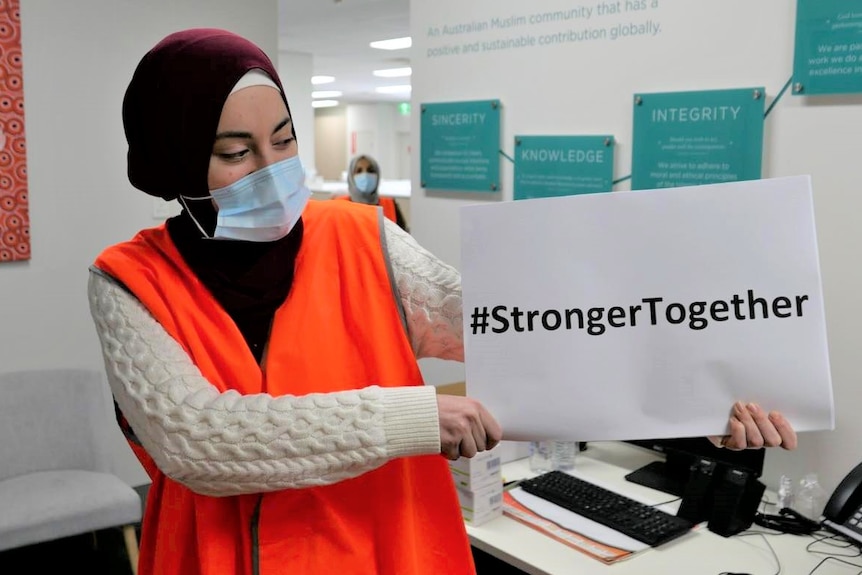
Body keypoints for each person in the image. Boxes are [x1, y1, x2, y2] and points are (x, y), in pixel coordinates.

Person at [86, 28, 797, 575]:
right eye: (235, 152)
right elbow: (199, 440)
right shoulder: (127, 282)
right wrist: (415, 415)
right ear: (174, 161)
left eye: (284, 139)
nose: (273, 171)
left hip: (386, 549)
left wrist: (691, 401)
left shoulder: (363, 236)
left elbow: (531, 336)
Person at [336, 153, 409, 232]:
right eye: (359, 171)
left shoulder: (390, 205)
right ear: (351, 177)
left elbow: (404, 239)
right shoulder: (339, 206)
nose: (365, 175)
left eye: (370, 170)